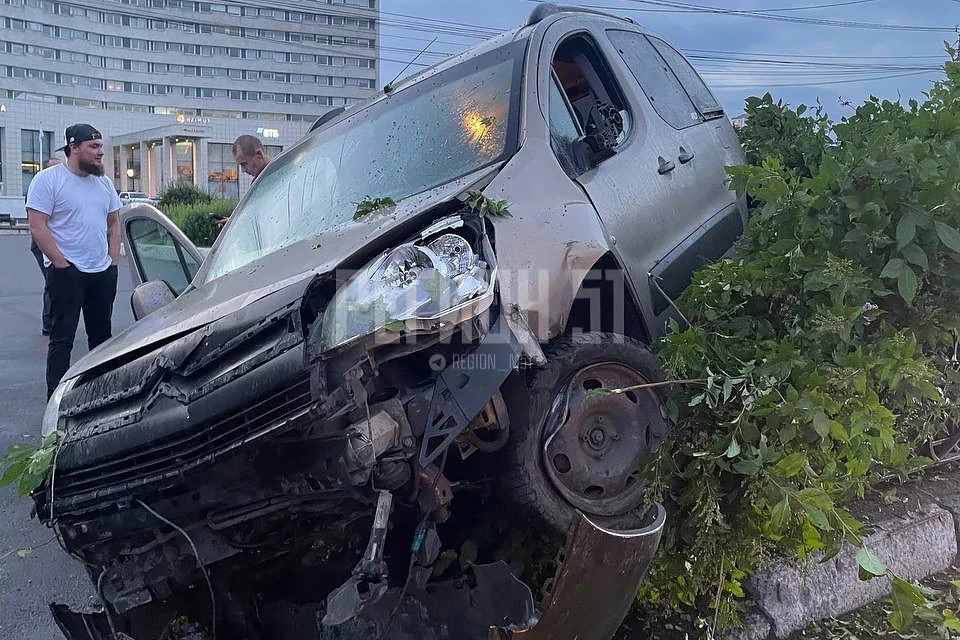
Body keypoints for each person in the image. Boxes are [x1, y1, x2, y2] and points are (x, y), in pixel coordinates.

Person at [26, 124, 122, 399]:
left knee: (102, 340)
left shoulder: (103, 182)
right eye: (93, 147)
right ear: (74, 147)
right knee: (61, 341)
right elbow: (38, 226)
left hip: (101, 272)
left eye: (100, 146)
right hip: (67, 272)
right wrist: (60, 263)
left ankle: (102, 396)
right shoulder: (48, 180)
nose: (100, 152)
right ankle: (55, 403)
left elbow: (114, 223)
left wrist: (113, 262)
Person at [29, 157, 62, 336]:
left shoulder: (59, 188)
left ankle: (52, 320)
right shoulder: (41, 189)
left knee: (55, 282)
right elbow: (38, 224)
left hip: (54, 242)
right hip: (41, 244)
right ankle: (49, 322)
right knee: (52, 282)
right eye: (55, 169)